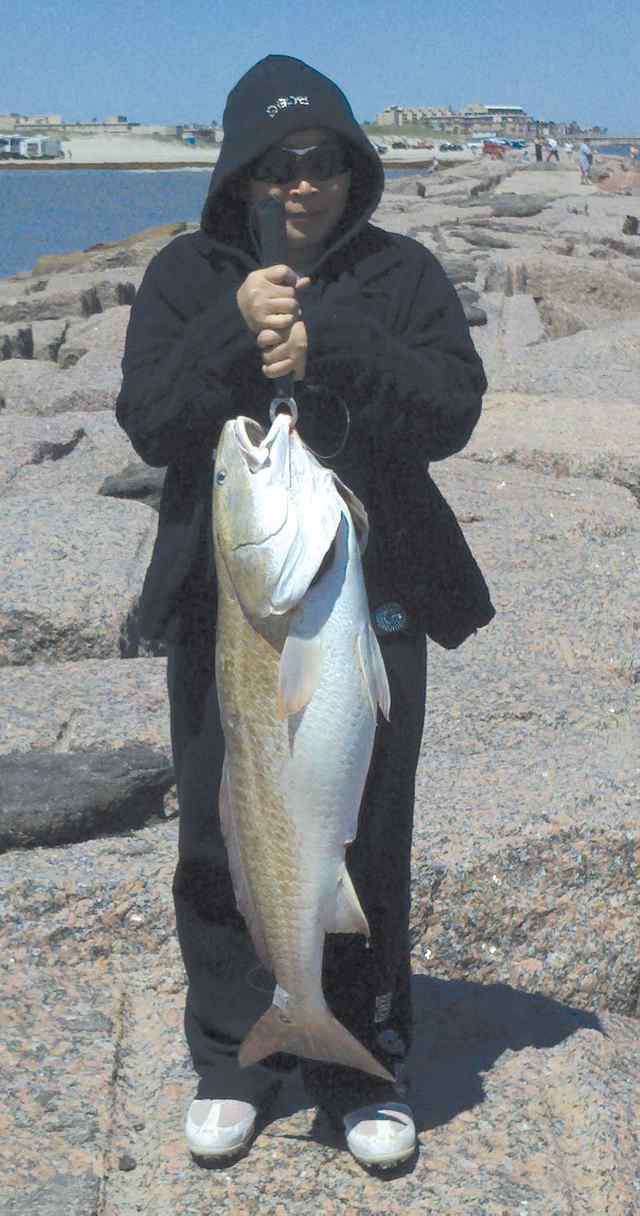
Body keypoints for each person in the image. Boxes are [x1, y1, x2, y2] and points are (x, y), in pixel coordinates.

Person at [116, 54, 493, 1169]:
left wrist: (337, 342)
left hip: (374, 603)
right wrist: (234, 330)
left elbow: (452, 412)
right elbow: (149, 421)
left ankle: (358, 1060)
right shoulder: (187, 274)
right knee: (218, 828)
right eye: (275, 164)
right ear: (240, 172)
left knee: (362, 828)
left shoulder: (400, 272)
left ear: (351, 168)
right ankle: (235, 1053)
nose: (300, 183)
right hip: (225, 604)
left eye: (322, 160)